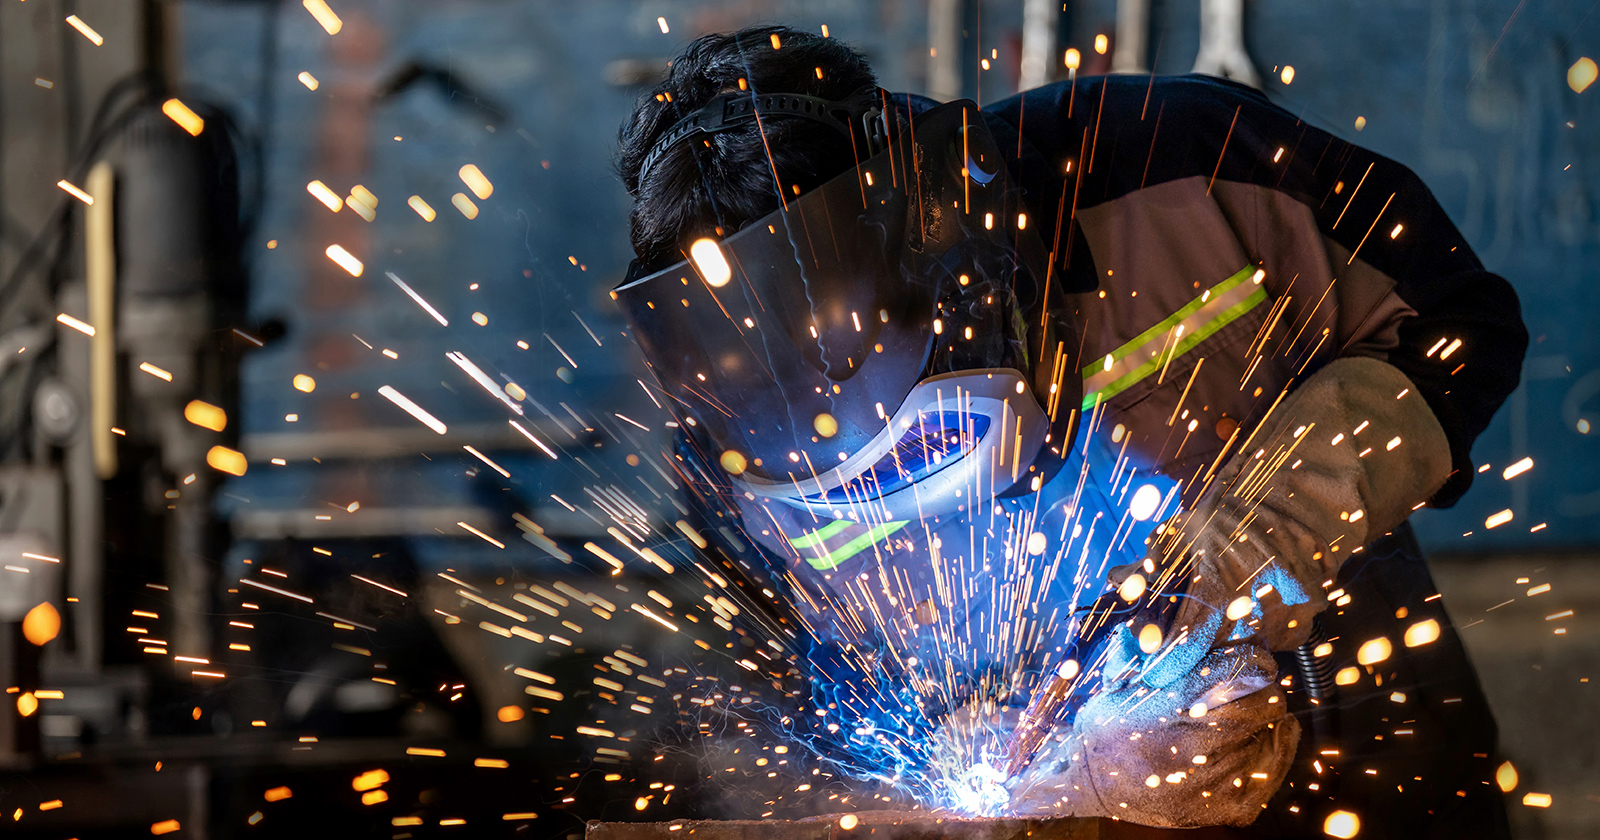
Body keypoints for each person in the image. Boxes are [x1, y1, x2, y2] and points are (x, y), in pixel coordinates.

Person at [612, 25, 1525, 839]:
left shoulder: (1175, 158)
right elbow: (823, 679)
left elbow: (1460, 327)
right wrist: (985, 738)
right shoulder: (722, 438)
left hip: (1365, 728)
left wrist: (1240, 559)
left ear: (926, 214)